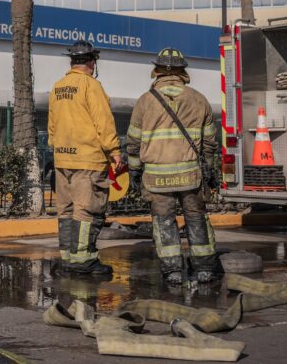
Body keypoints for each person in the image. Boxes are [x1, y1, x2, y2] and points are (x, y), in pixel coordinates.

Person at [126, 48, 219, 285]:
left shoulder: (145, 101)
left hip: (157, 179)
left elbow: (133, 142)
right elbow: (209, 143)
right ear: (183, 71)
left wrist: (135, 170)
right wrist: (209, 169)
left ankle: (173, 271)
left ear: (156, 70)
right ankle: (204, 268)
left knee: (164, 221)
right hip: (191, 176)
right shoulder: (199, 99)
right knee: (196, 219)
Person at [48, 40, 122, 277]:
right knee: (86, 210)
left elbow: (51, 126)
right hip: (87, 160)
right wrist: (114, 152)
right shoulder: (92, 86)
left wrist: (58, 148)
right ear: (92, 61)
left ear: (72, 61)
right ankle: (82, 260)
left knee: (66, 210)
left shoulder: (58, 87)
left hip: (62, 160)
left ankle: (68, 258)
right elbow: (104, 123)